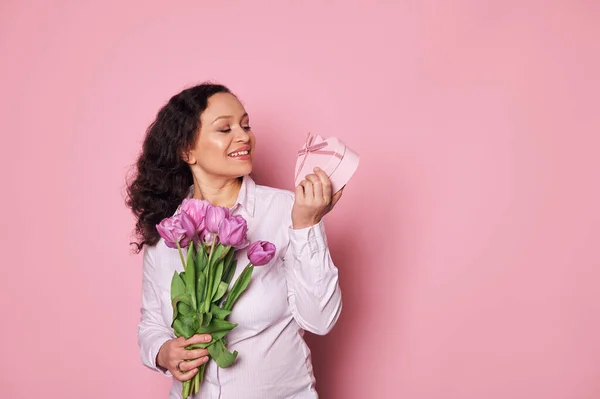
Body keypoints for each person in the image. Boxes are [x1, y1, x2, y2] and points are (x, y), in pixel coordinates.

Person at [125, 82, 344, 398]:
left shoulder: (287, 210)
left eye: (245, 125)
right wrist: (163, 351)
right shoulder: (168, 229)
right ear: (187, 150)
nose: (244, 137)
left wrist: (306, 225)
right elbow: (151, 326)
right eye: (224, 129)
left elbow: (320, 320)